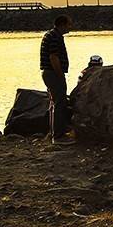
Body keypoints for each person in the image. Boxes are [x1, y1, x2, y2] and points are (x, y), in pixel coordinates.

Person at [40, 15, 75, 145]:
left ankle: (54, 132)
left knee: (53, 103)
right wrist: (60, 74)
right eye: (69, 24)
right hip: (53, 74)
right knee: (60, 104)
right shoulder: (55, 37)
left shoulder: (51, 34)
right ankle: (59, 136)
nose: (71, 27)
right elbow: (53, 57)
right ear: (63, 24)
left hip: (49, 73)